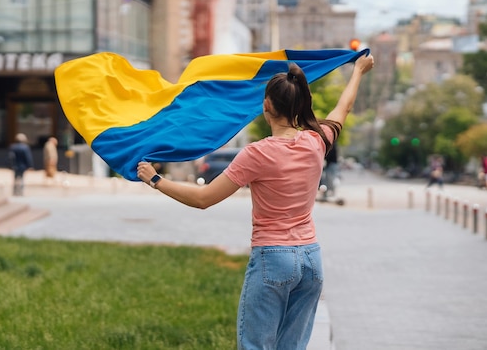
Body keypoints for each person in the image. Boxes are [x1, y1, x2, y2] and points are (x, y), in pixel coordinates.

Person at [137, 53, 374, 350]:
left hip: (273, 258)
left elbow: (203, 198)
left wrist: (155, 180)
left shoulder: (257, 154)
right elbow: (344, 108)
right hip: (312, 259)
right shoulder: (317, 141)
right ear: (300, 105)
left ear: (266, 106)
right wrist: (358, 72)